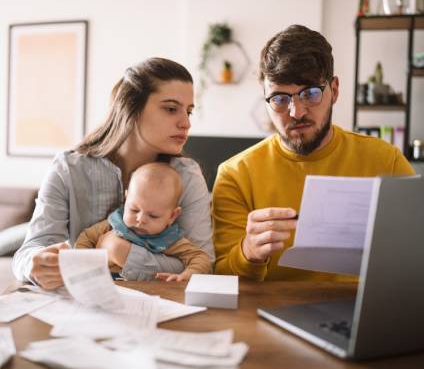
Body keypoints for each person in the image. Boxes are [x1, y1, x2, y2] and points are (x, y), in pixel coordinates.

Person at [212, 25, 415, 282]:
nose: (296, 112)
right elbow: (221, 281)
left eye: (310, 93)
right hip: (267, 315)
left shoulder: (387, 161)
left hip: (361, 312)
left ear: (335, 91)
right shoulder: (235, 174)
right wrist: (248, 252)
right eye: (279, 98)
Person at [13, 57, 214, 289]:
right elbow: (28, 251)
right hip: (78, 309)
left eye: (188, 112)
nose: (185, 123)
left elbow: (204, 263)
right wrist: (34, 265)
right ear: (132, 108)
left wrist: (122, 252)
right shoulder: (68, 169)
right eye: (171, 109)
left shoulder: (187, 175)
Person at [75, 162, 211, 282]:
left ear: (172, 216)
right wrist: (81, 266)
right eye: (134, 210)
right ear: (126, 198)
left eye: (153, 216)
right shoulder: (114, 223)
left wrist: (186, 275)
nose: (140, 220)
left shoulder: (169, 239)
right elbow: (86, 238)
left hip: (146, 292)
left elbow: (201, 258)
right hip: (104, 286)